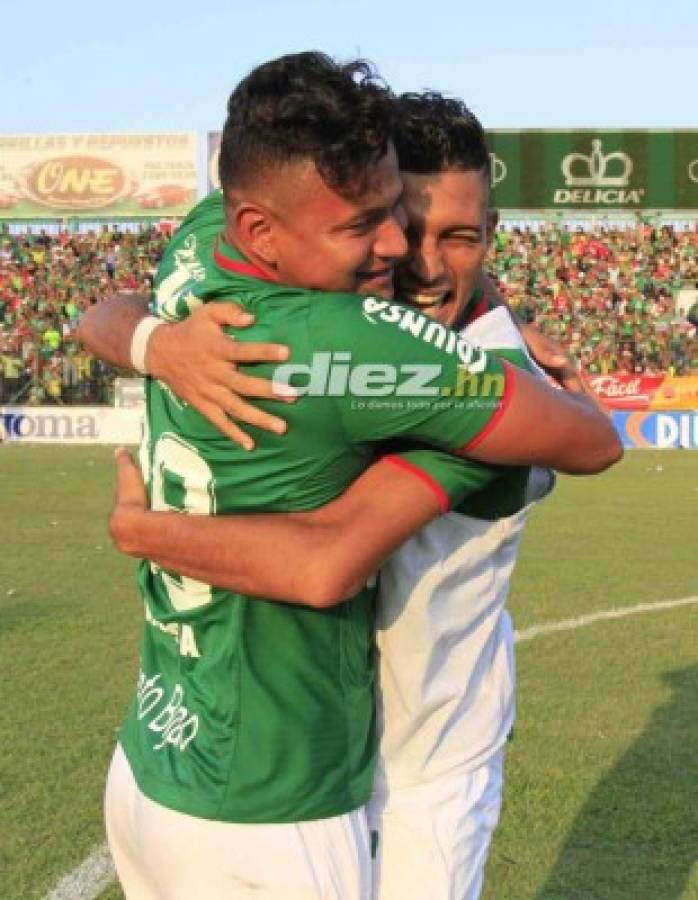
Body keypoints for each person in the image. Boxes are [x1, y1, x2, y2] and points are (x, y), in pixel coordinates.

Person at [80, 54, 621, 900]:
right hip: (309, 752)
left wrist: (142, 529)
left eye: (462, 238)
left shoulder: (457, 386)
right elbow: (108, 311)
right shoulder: (359, 339)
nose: (418, 259)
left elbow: (329, 557)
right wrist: (159, 341)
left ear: (494, 234)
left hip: (424, 766)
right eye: (394, 221)